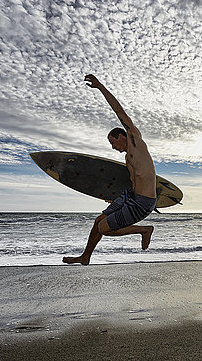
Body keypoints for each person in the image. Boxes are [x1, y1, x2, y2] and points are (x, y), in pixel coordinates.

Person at [62, 74, 157, 265]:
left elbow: (119, 111)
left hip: (143, 202)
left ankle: (145, 230)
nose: (113, 147)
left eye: (113, 142)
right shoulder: (127, 159)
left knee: (105, 229)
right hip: (131, 196)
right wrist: (113, 196)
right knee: (98, 221)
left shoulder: (136, 142)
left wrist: (100, 87)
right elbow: (132, 181)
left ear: (122, 135)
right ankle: (85, 256)